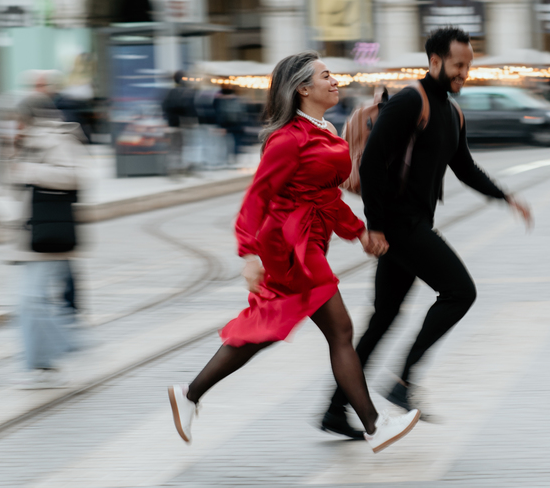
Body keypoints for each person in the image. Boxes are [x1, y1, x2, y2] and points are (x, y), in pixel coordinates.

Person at [166, 52, 420, 453]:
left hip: (309, 240)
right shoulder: (288, 139)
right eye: (326, 76)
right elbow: (257, 196)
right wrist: (249, 254)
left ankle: (190, 394)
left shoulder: (324, 129)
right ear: (303, 88)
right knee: (341, 331)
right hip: (289, 246)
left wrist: (359, 231)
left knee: (267, 327)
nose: (335, 82)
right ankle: (375, 424)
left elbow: (326, 197)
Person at [320, 27, 533, 439]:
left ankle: (335, 409)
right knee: (460, 292)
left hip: (414, 223)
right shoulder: (409, 101)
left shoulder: (452, 113)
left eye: (468, 65)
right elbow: (372, 163)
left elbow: (465, 168)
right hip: (400, 225)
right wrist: (375, 226)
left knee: (384, 319)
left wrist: (505, 196)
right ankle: (403, 381)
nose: (464, 73)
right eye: (457, 65)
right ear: (435, 62)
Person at [9, 93, 87, 388]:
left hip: (49, 233)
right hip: (31, 233)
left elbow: (73, 177)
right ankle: (43, 364)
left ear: (27, 118)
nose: (13, 124)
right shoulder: (24, 141)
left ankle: (55, 355)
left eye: (16, 119)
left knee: (31, 301)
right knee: (29, 302)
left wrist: (30, 170)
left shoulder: (56, 139)